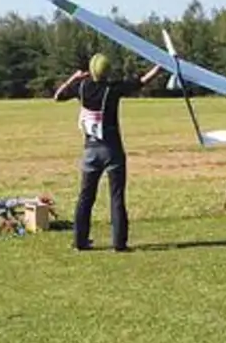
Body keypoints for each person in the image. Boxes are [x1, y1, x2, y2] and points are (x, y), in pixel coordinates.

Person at [53, 52, 163, 252]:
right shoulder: (112, 89)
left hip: (90, 152)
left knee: (86, 197)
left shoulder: (82, 87)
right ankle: (119, 244)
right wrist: (160, 66)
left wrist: (75, 77)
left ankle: (80, 241)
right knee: (116, 197)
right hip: (112, 150)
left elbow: (58, 96)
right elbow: (142, 82)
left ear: (91, 71)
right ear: (107, 71)